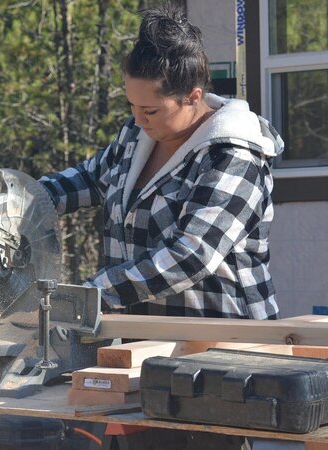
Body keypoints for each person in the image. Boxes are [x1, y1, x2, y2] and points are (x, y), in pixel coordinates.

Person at [39, 3, 283, 322]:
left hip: (227, 341)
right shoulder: (135, 136)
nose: (138, 120)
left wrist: (86, 296)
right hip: (146, 336)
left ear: (193, 97)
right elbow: (82, 181)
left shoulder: (234, 154)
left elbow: (192, 255)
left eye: (150, 111)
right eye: (132, 106)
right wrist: (15, 205)